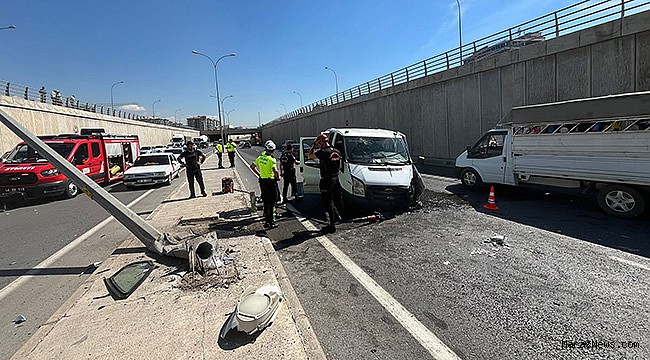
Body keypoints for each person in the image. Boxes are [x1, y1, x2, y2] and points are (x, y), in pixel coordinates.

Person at [309, 133, 343, 233]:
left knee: (327, 203)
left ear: (321, 143)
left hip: (327, 180)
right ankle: (337, 217)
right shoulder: (337, 151)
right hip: (336, 178)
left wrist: (313, 145)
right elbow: (340, 166)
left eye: (319, 144)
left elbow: (310, 156)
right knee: (336, 199)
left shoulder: (323, 152)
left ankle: (331, 226)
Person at [251, 140, 280, 228]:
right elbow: (275, 170)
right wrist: (277, 177)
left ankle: (267, 221)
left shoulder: (260, 158)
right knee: (272, 202)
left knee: (266, 202)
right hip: (270, 182)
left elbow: (252, 166)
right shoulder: (272, 160)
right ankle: (272, 222)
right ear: (273, 150)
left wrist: (259, 174)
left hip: (262, 181)